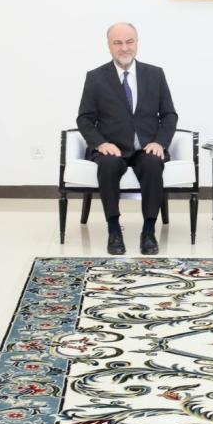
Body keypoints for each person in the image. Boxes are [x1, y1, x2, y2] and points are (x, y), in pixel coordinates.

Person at [76, 22, 178, 256]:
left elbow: (169, 114)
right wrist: (101, 143)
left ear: (137, 43)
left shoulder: (155, 74)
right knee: (108, 165)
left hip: (146, 147)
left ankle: (149, 230)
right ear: (109, 46)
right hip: (112, 148)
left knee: (152, 164)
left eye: (129, 42)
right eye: (118, 43)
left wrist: (159, 142)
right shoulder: (96, 77)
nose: (124, 48)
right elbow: (84, 118)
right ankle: (113, 229)